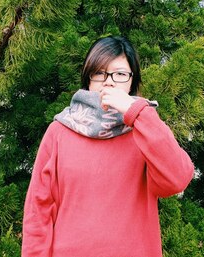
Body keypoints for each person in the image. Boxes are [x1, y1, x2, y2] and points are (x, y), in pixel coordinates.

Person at [22, 36, 194, 257]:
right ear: (88, 79)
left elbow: (177, 180)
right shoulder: (60, 131)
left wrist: (139, 113)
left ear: (132, 81)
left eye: (120, 74)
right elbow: (38, 212)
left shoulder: (145, 131)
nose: (109, 81)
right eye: (100, 73)